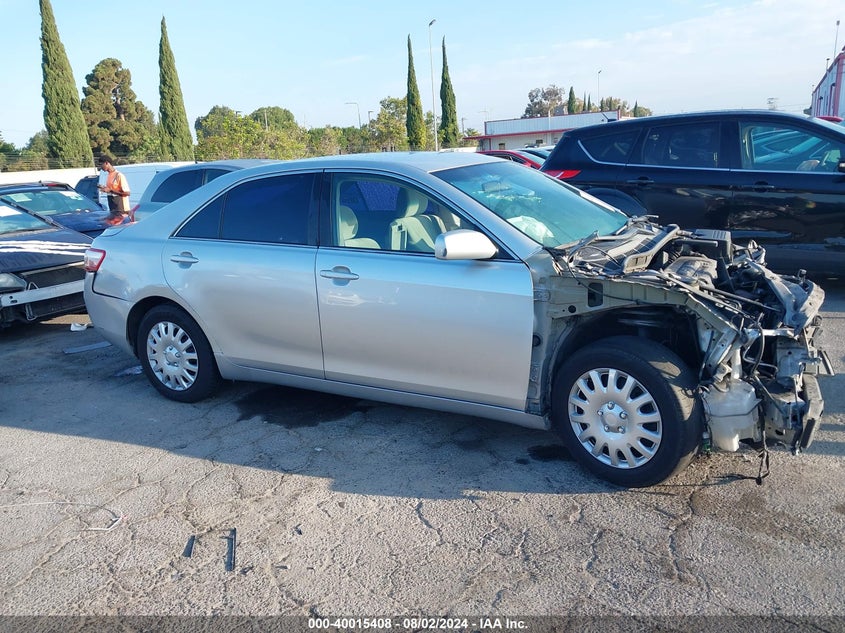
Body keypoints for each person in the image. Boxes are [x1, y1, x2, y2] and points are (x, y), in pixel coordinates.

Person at [97, 156, 131, 224]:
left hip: (121, 210)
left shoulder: (119, 175)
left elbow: (127, 193)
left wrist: (110, 190)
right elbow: (111, 190)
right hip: (113, 209)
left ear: (107, 163)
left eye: (101, 164)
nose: (100, 167)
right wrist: (104, 188)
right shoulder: (109, 175)